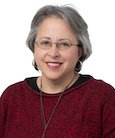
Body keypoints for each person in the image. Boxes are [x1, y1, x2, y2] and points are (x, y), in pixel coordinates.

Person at [0, 5, 115, 138]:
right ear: (34, 47)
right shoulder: (12, 97)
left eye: (64, 44)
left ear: (80, 50)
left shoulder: (103, 97)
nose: (53, 53)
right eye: (45, 43)